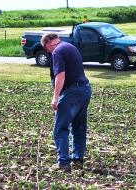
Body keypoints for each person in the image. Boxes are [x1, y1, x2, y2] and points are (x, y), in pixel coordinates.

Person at [40, 33, 92, 172]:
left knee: (60, 129)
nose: (47, 52)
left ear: (49, 42)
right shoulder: (70, 47)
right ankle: (77, 161)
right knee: (78, 128)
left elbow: (60, 75)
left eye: (45, 48)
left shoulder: (57, 51)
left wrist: (55, 97)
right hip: (85, 89)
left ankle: (63, 163)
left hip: (72, 93)